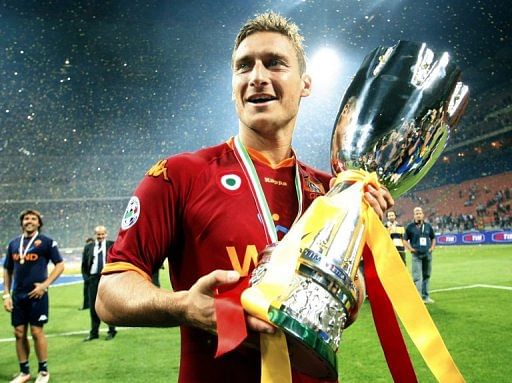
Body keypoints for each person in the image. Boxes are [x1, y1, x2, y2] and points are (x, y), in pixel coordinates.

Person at [96, 11, 393, 382]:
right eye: (244, 66)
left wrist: (354, 236)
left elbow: (343, 313)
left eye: (274, 63)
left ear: (305, 84)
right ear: (233, 83)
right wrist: (183, 306)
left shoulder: (333, 194)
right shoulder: (180, 175)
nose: (257, 77)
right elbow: (109, 293)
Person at [2, 209, 65, 383]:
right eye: (26, 218)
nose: (29, 221)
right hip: (18, 295)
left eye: (33, 218)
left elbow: (60, 265)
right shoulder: (14, 244)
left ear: (39, 223)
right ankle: (24, 372)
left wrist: (45, 285)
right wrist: (6, 294)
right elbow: (7, 269)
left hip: (38, 295)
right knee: (18, 332)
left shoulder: (46, 242)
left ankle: (43, 371)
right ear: (22, 222)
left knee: (37, 332)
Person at [81, 225, 117, 341]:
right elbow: (84, 264)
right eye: (98, 234)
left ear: (106, 234)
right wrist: (87, 279)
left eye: (102, 234)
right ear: (94, 235)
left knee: (109, 305)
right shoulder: (88, 247)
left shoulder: (112, 245)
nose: (100, 236)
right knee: (93, 307)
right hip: (93, 279)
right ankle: (94, 332)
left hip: (108, 278)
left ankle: (112, 330)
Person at [404, 206, 436, 304]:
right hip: (416, 255)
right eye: (416, 213)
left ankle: (426, 297)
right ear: (414, 215)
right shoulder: (410, 227)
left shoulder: (428, 226)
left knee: (426, 275)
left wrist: (432, 248)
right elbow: (404, 240)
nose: (418, 215)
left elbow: (433, 238)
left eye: (420, 213)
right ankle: (418, 298)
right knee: (417, 277)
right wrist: (410, 249)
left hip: (427, 254)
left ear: (423, 215)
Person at [79, 237, 94, 310]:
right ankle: (86, 305)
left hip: (95, 275)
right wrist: (84, 276)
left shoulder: (95, 251)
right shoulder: (86, 251)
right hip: (87, 275)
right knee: (86, 291)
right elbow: (83, 265)